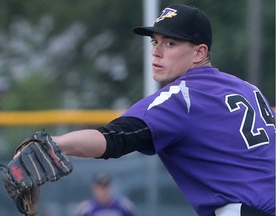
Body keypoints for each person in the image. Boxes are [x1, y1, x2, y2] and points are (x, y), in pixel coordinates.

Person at [51, 4, 275, 216]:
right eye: (154, 41)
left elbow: (113, 138)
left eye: (170, 43)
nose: (157, 52)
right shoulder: (247, 89)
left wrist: (54, 145)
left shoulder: (182, 96)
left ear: (199, 53)